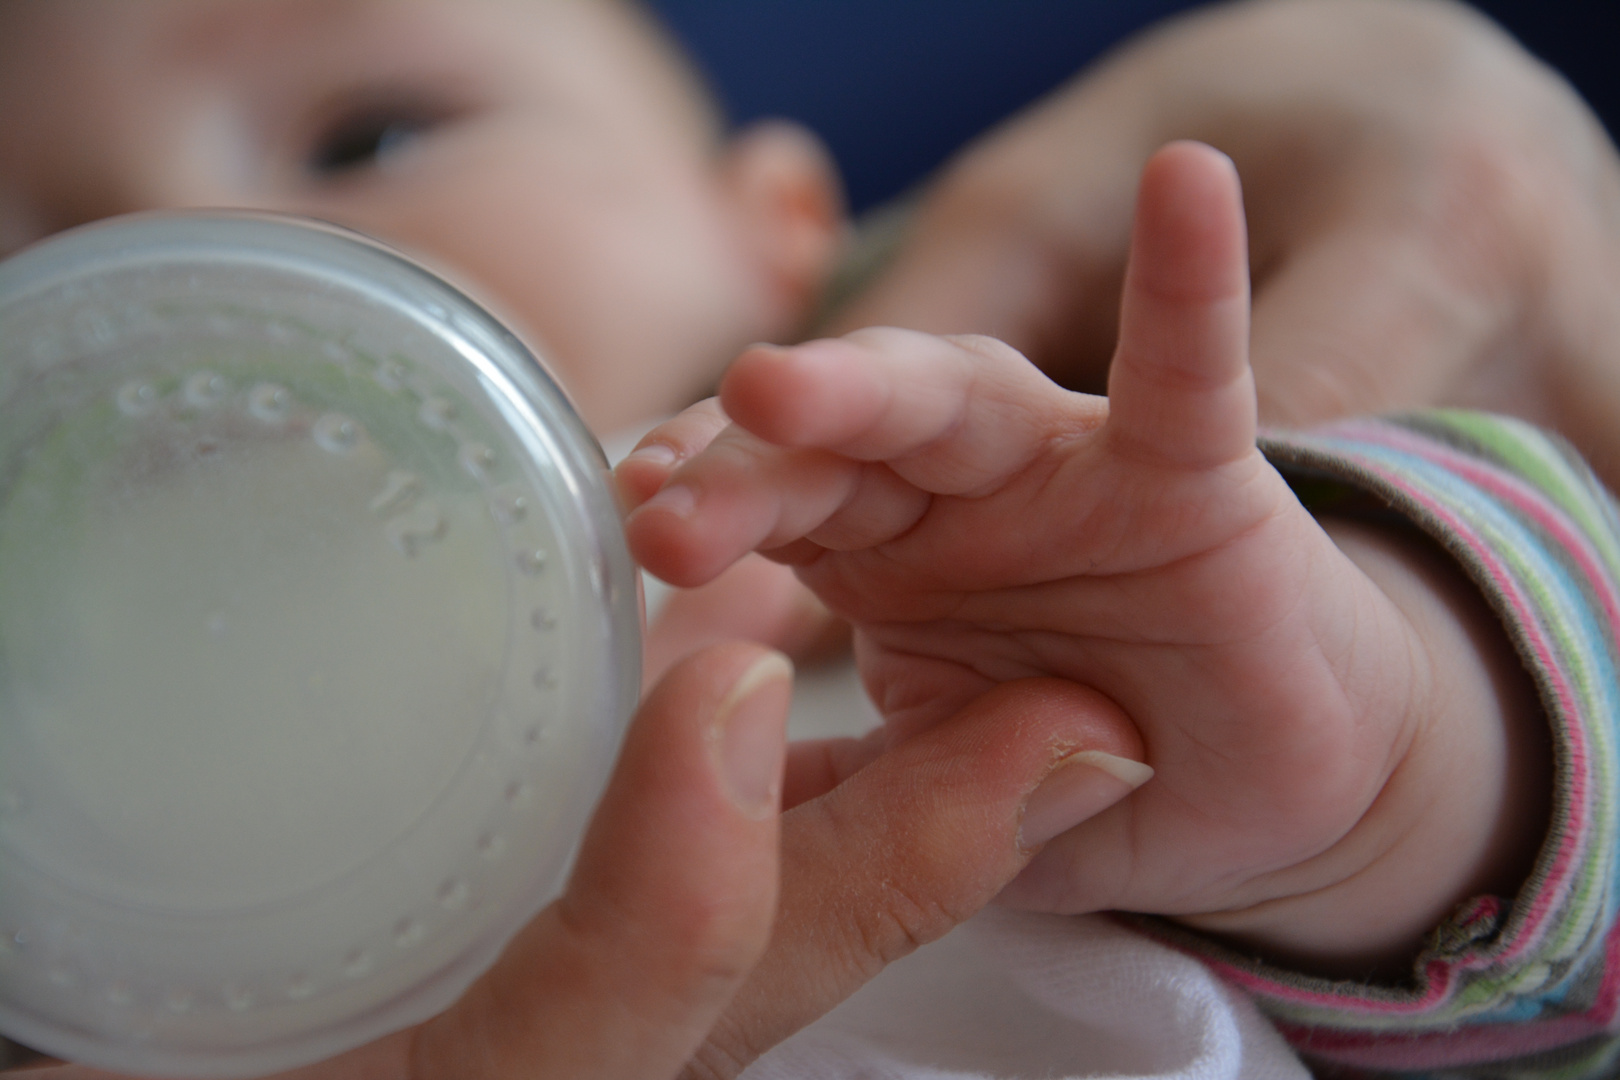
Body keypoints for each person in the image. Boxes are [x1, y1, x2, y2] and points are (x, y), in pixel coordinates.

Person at [2, 0, 1619, 1076]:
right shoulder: (79, 923)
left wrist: (1374, 769)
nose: (177, 273)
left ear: (776, 233)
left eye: (367, 138)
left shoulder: (1010, 573)